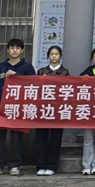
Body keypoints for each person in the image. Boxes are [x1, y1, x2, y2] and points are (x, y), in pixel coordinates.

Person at [0, 38, 35, 177]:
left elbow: (32, 85)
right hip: (1, 109)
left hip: (18, 109)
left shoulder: (27, 67)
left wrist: (17, 76)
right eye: (12, 48)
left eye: (17, 48)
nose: (15, 50)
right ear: (8, 50)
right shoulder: (0, 67)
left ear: (22, 50)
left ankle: (14, 165)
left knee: (16, 138)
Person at [35, 46, 70, 176]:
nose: (54, 56)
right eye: (52, 54)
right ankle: (40, 165)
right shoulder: (41, 71)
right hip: (43, 109)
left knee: (55, 139)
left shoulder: (64, 72)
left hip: (58, 110)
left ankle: (52, 166)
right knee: (41, 139)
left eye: (56, 54)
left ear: (60, 56)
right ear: (48, 56)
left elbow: (67, 89)